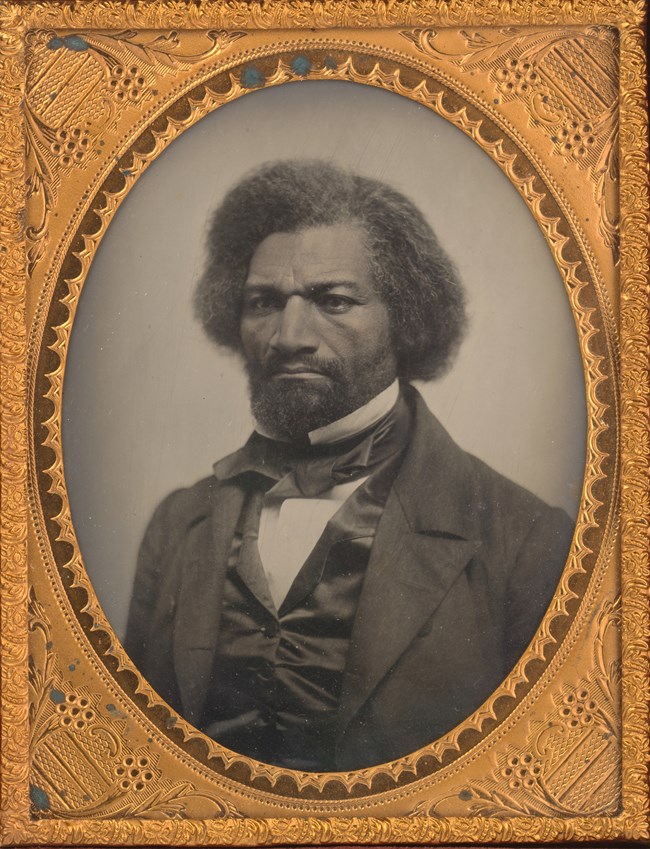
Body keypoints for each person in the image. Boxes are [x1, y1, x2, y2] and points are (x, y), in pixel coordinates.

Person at [124, 159, 573, 772]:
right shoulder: (177, 524)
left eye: (332, 300)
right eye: (263, 302)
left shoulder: (526, 540)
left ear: (406, 317)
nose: (289, 336)